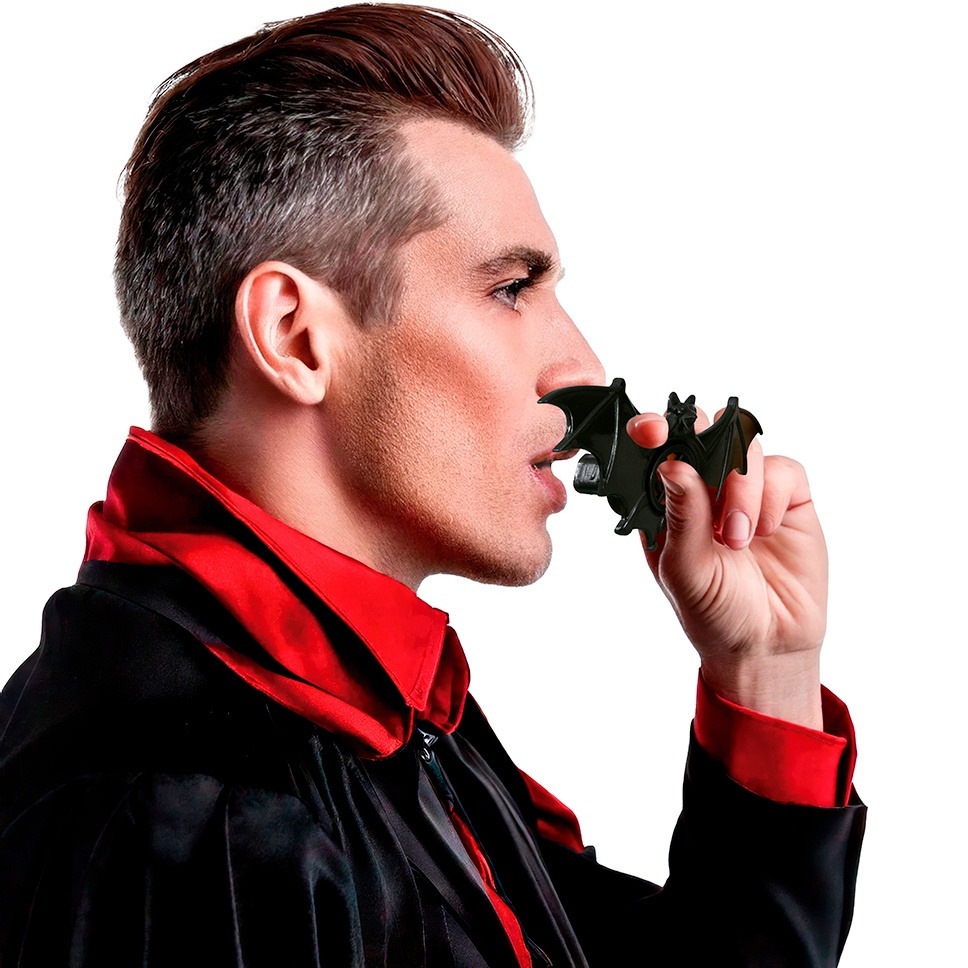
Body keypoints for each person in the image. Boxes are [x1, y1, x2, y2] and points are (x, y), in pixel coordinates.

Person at [0, 4, 865, 965]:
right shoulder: (190, 824)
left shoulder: (367, 713)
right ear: (294, 336)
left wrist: (766, 670)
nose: (581, 366)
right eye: (510, 288)